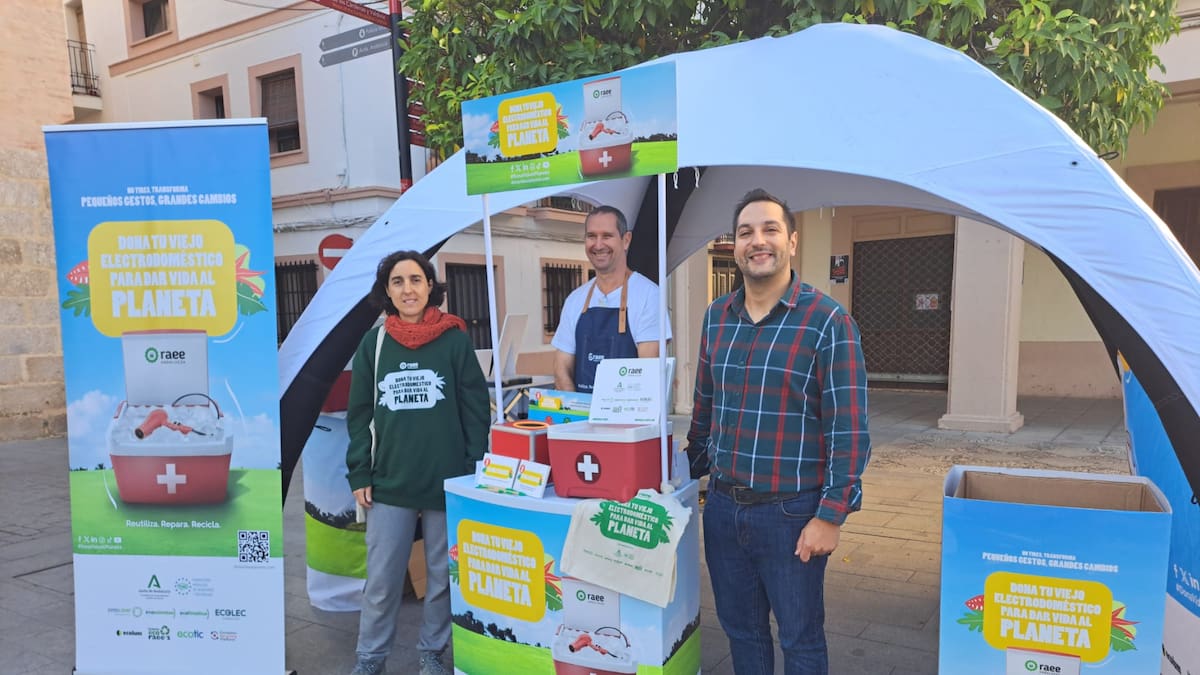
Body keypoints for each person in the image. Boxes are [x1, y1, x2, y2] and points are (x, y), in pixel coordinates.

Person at [686, 188, 871, 675]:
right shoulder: (716, 319)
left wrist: (831, 515)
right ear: (735, 246)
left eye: (769, 230)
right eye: (746, 232)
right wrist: (678, 473)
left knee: (801, 639)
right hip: (723, 511)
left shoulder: (828, 322)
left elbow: (849, 431)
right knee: (741, 632)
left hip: (792, 515)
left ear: (791, 241)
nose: (757, 241)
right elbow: (704, 410)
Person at [345, 250, 490, 675]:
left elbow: (476, 410)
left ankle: (432, 652)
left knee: (443, 575)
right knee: (382, 580)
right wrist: (360, 470)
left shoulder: (455, 339)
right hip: (388, 481)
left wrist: (473, 467)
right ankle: (370, 658)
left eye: (415, 279)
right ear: (386, 291)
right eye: (397, 281)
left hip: (449, 480)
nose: (407, 289)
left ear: (430, 286)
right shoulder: (374, 344)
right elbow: (359, 416)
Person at [551, 205, 671, 392]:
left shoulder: (649, 296)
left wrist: (613, 416)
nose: (598, 245)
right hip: (581, 417)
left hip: (629, 418)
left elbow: (649, 373)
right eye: (591, 236)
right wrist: (576, 411)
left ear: (626, 240)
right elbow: (561, 370)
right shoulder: (574, 300)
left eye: (607, 236)